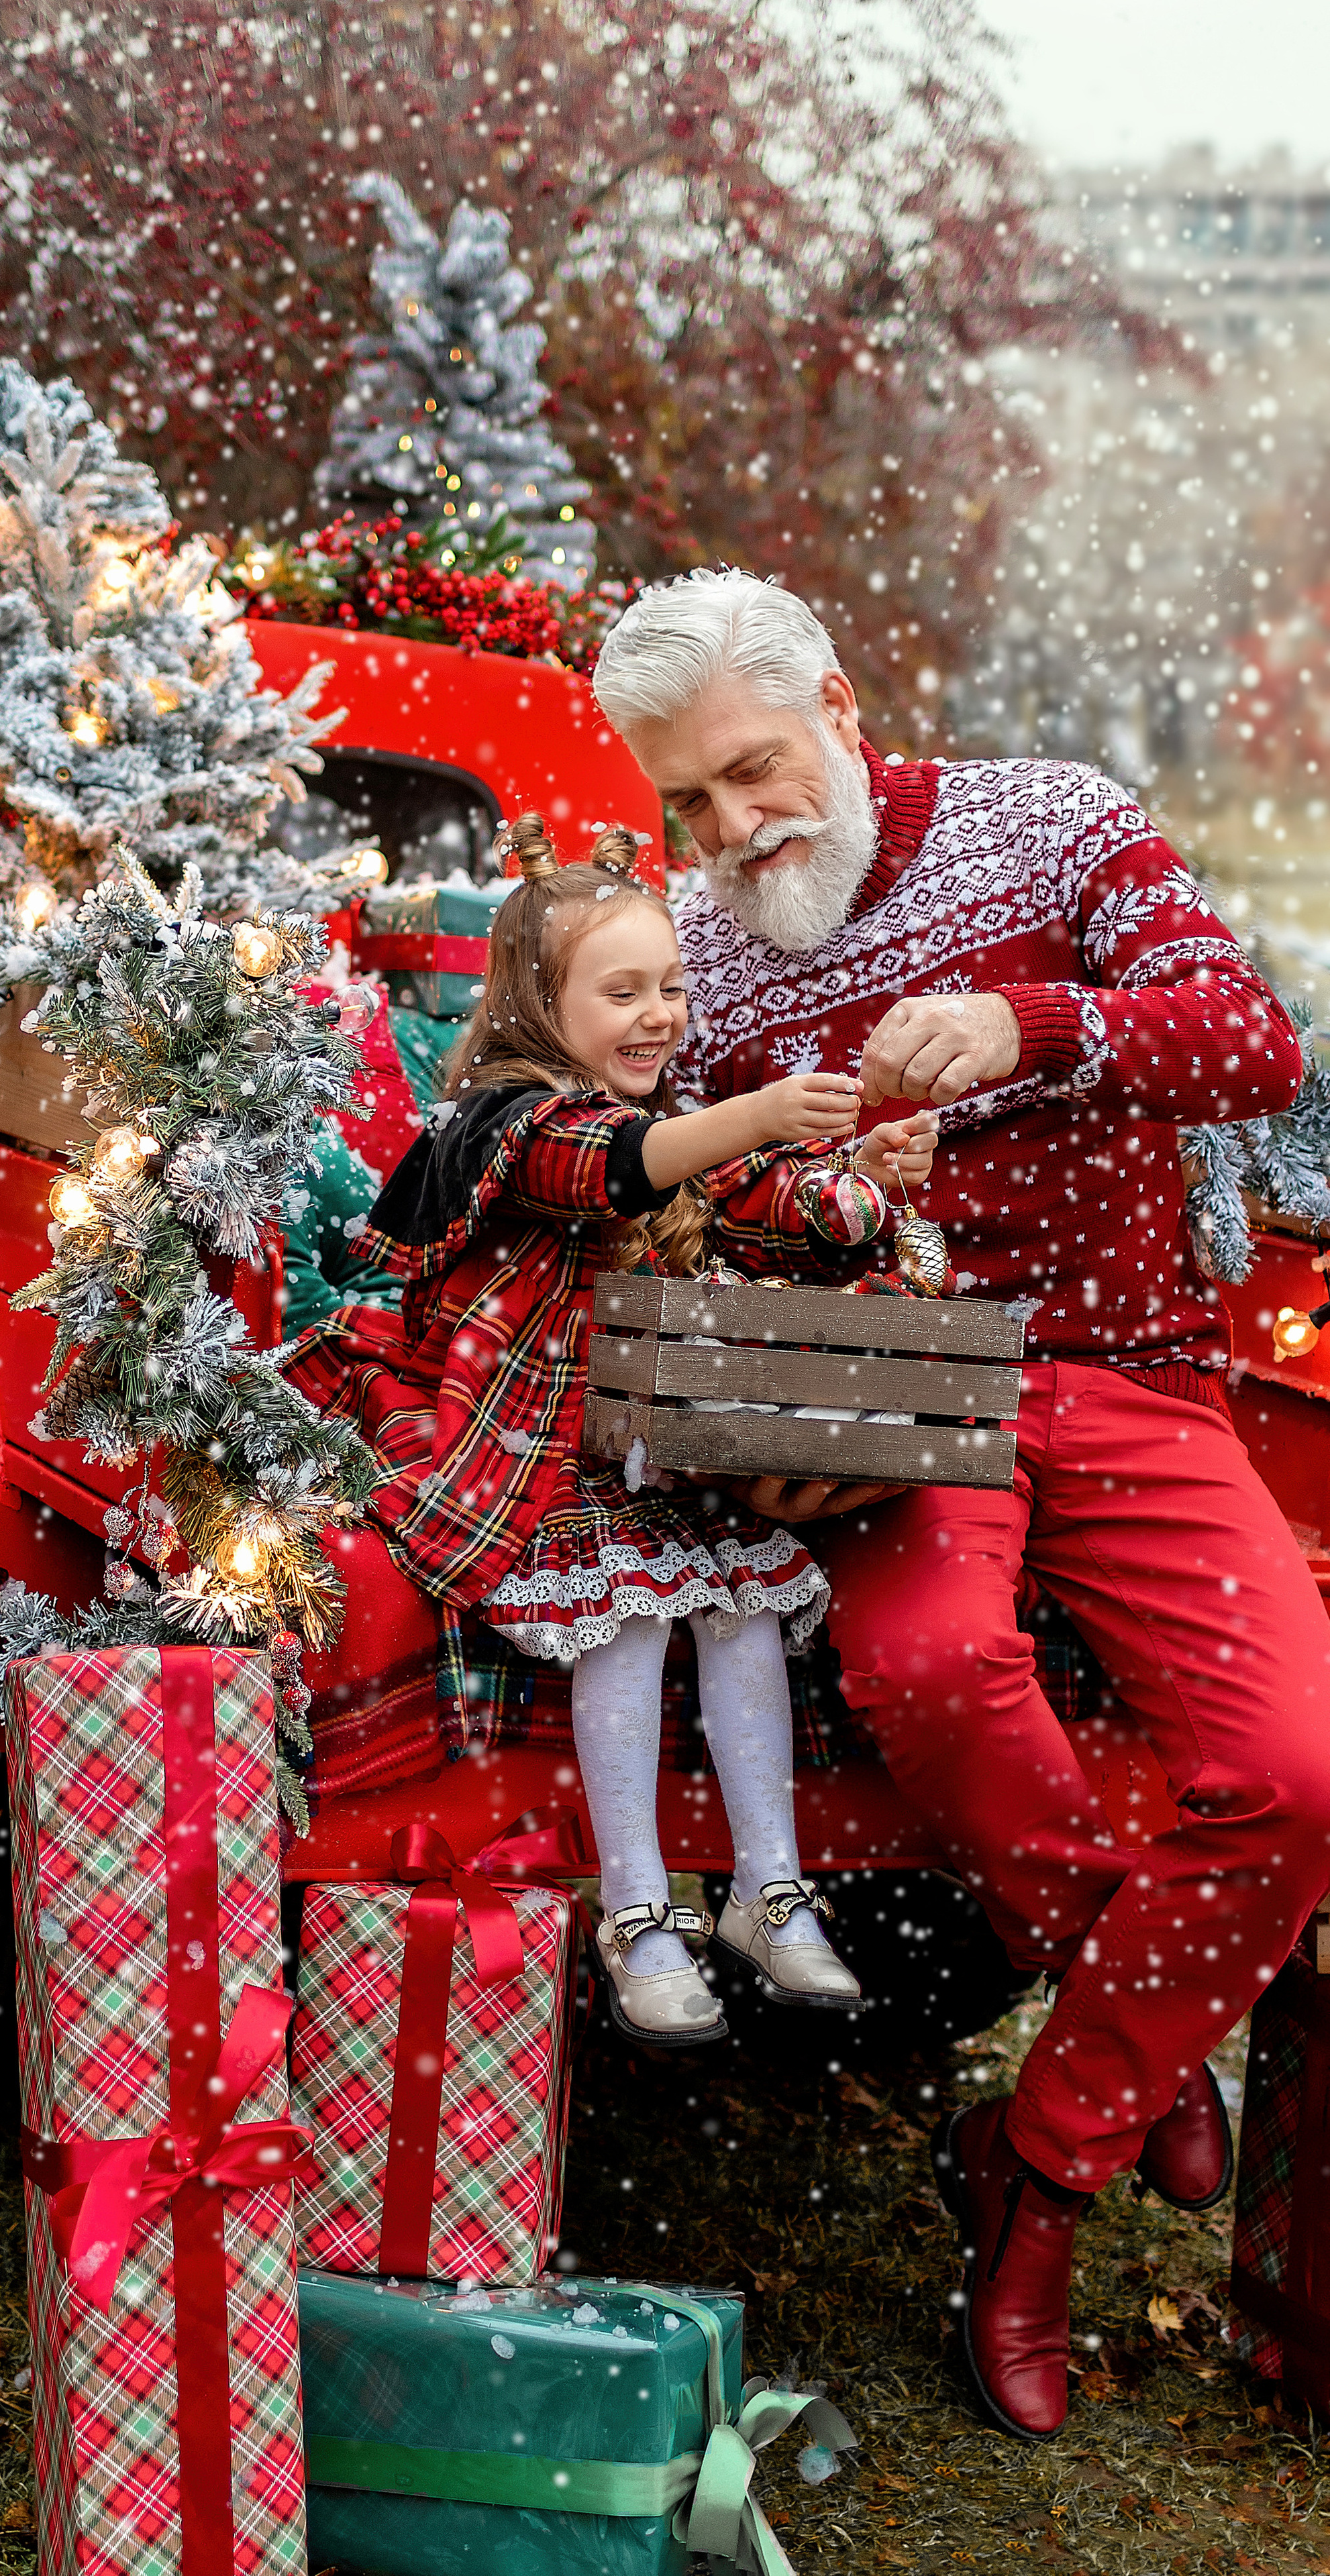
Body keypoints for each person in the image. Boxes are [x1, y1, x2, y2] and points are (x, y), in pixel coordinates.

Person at [589, 564, 1330, 2443]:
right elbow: (649, 1196)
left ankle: (1035, 2160)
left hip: (1138, 1373)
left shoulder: (1052, 820)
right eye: (688, 803)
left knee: (1307, 1773)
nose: (735, 831)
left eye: (756, 771)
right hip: (893, 1403)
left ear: (840, 706)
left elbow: (1250, 1043)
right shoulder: (696, 952)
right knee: (931, 1676)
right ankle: (1128, 2036)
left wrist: (1033, 1031)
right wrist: (806, 1159)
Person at [285, 812, 937, 2044]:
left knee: (744, 1614)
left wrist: (869, 1176)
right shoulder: (516, 1125)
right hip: (531, 1444)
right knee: (626, 1623)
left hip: (656, 1442)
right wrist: (754, 1117)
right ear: (541, 1003)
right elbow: (620, 1165)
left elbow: (779, 1202)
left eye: (673, 987)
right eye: (622, 991)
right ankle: (637, 1912)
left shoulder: (686, 1121)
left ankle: (765, 1889)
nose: (658, 1014)